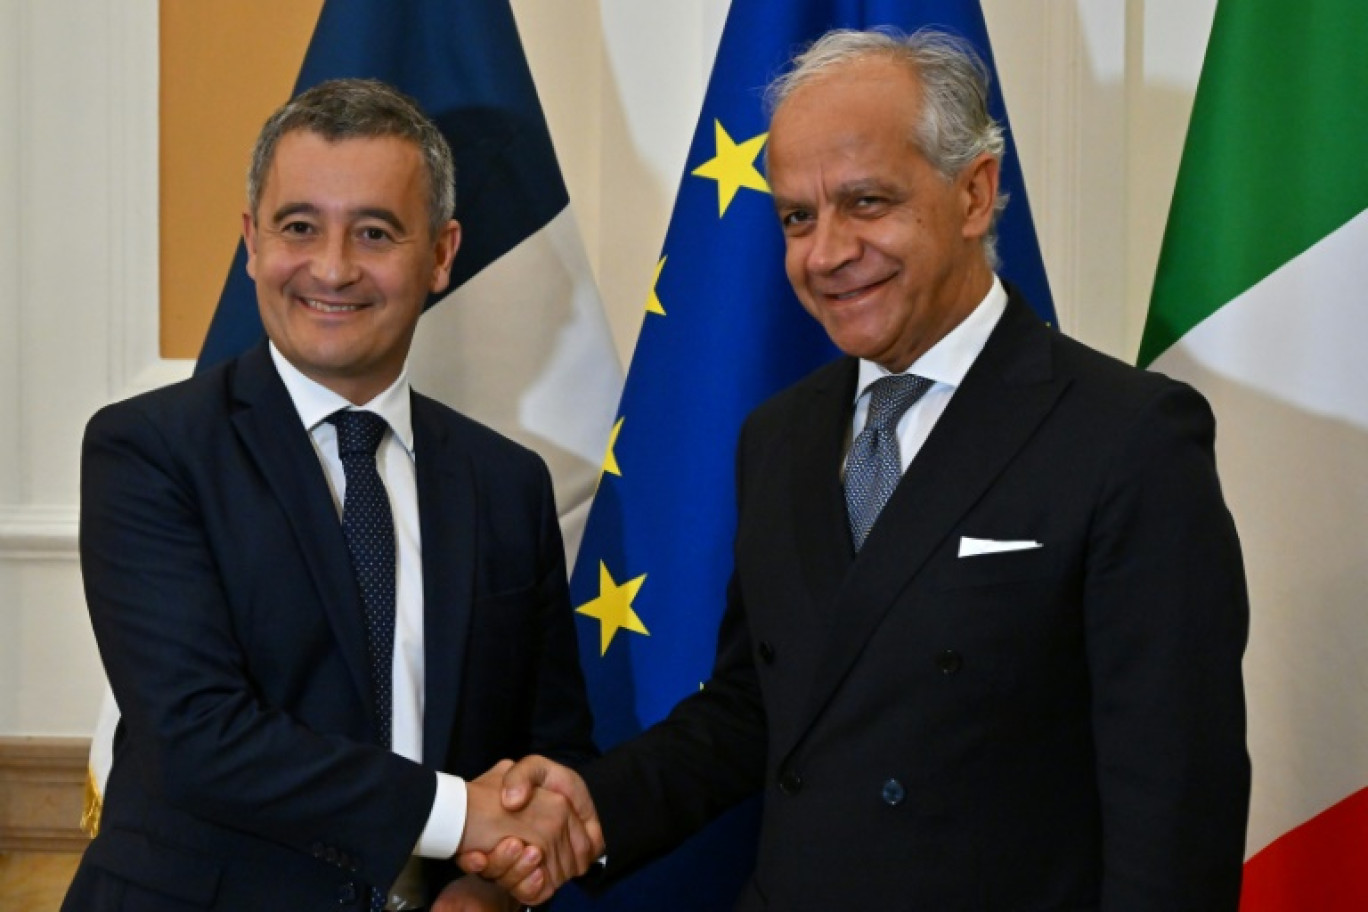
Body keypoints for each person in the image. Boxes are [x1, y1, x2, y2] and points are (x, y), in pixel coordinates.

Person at [459, 27, 1251, 911]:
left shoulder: (1127, 438)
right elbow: (757, 709)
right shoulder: (781, 435)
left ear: (975, 193)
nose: (825, 253)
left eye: (866, 203)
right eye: (797, 216)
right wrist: (585, 813)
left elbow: (1175, 809)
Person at [64, 79, 600, 912]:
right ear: (251, 240)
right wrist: (461, 819)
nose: (332, 267)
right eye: (299, 226)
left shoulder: (507, 484)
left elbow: (549, 747)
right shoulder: (149, 451)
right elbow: (199, 737)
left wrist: (487, 892)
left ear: (442, 254)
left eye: (376, 232)